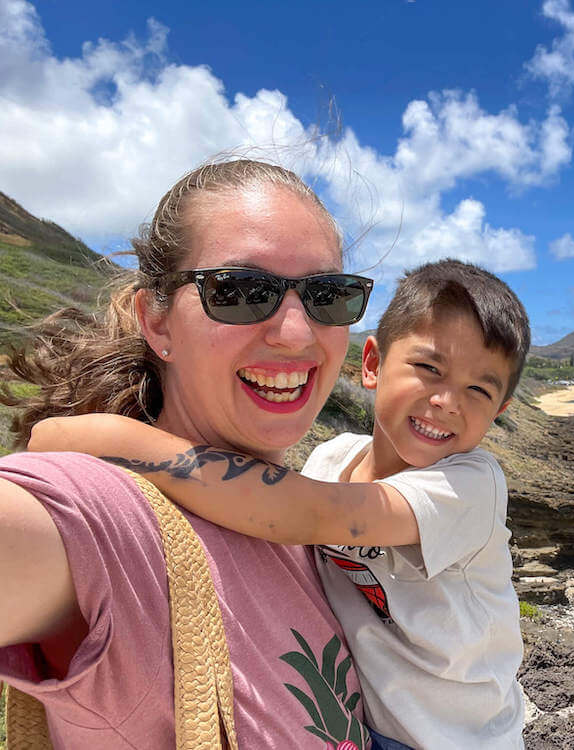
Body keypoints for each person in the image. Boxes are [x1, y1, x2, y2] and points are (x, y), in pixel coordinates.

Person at [31, 259, 531, 749]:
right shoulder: (332, 459)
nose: (447, 401)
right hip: (366, 723)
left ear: (501, 409)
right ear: (373, 364)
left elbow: (307, 512)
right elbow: (258, 511)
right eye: (429, 369)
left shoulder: (471, 485)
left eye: (477, 391)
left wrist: (114, 438)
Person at [0, 159, 373, 748]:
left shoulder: (307, 528)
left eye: (328, 295)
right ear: (158, 322)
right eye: (242, 291)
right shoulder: (109, 522)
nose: (297, 333)